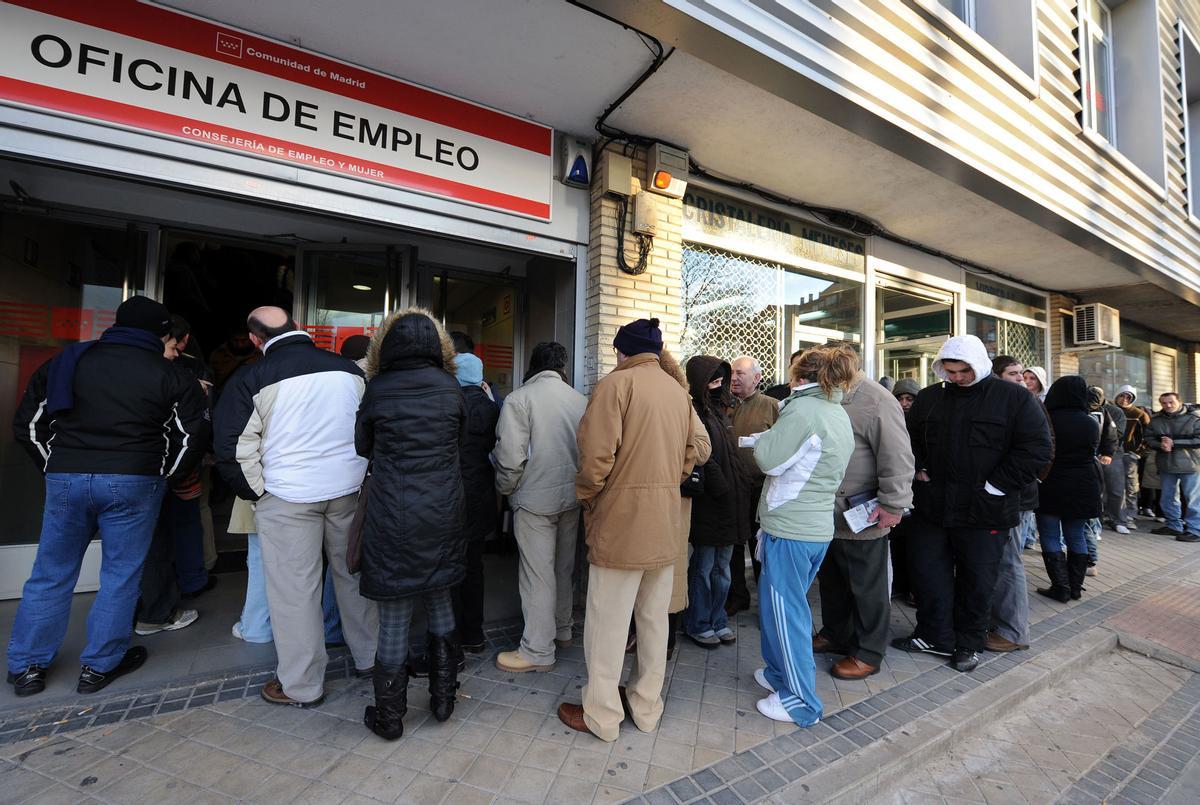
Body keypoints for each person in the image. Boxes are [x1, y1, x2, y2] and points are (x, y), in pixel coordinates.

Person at [9, 296, 209, 697]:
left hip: (67, 475)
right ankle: (99, 667)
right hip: (134, 479)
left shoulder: (69, 361)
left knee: (50, 573)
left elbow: (29, 424)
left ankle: (27, 667)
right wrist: (163, 475)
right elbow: (191, 437)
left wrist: (55, 465)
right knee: (121, 575)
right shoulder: (169, 374)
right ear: (161, 333)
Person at [213, 306, 378, 707]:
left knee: (295, 592)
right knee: (355, 577)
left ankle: (302, 686)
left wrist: (260, 493)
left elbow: (231, 449)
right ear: (299, 329)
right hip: (348, 492)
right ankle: (372, 661)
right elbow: (372, 428)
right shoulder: (350, 371)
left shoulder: (250, 378)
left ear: (255, 339)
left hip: (287, 497)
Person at [557, 317, 704, 743]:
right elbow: (691, 453)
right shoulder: (678, 393)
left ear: (623, 351)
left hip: (620, 523)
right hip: (664, 522)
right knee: (653, 620)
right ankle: (646, 708)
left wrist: (589, 498)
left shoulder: (614, 386)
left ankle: (602, 716)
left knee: (607, 623)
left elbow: (594, 459)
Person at [897, 336, 1051, 673]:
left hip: (986, 510)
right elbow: (908, 439)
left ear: (979, 364)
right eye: (949, 371)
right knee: (928, 574)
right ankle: (934, 635)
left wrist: (997, 486)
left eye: (963, 370)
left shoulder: (1013, 398)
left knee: (977, 581)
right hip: (933, 507)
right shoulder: (930, 398)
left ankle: (969, 643)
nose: (956, 377)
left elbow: (1037, 449)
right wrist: (918, 467)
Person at [354, 308, 468, 739]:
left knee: (396, 614)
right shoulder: (450, 387)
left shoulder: (378, 389)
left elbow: (361, 444)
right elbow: (461, 438)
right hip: (443, 511)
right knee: (441, 603)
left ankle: (389, 718)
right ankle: (443, 700)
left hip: (393, 514)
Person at [750, 345, 855, 725]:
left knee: (787, 616)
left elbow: (768, 459)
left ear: (800, 376)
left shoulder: (803, 410)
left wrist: (763, 440)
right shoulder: (835, 411)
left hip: (790, 529)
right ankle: (779, 676)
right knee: (782, 610)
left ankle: (800, 701)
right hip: (813, 529)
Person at [813, 359, 914, 680]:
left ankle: (869, 651)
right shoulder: (830, 394)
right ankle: (836, 634)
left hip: (864, 511)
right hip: (829, 512)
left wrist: (894, 504)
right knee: (833, 581)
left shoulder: (877, 400)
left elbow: (897, 456)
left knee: (866, 586)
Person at [493, 343, 587, 673]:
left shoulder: (520, 399)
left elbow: (510, 457)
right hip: (572, 498)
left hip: (534, 500)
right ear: (562, 367)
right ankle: (562, 631)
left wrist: (505, 490)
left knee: (537, 576)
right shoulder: (580, 400)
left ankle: (537, 650)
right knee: (563, 569)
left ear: (533, 365)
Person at [983, 356, 1043, 653]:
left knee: (1008, 561)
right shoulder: (1005, 401)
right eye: (1013, 373)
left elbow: (1042, 451)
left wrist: (1000, 483)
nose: (1021, 379)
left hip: (1014, 497)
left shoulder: (1023, 403)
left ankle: (1013, 632)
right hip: (1010, 494)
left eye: (1022, 373)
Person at [683, 355, 741, 648]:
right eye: (713, 381)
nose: (719, 386)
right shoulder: (694, 411)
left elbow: (730, 455)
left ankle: (718, 620)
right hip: (710, 502)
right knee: (703, 569)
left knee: (723, 570)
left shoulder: (721, 411)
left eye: (722, 381)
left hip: (728, 504)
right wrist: (722, 487)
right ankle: (698, 622)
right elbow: (701, 456)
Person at [1035, 377, 1110, 601]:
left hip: (1051, 483)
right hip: (1083, 484)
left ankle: (1060, 587)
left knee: (1049, 535)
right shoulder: (1089, 421)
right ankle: (1075, 587)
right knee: (1076, 534)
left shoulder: (1046, 419)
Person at [453, 351, 500, 653]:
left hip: (453, 495)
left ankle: (449, 634)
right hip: (482, 494)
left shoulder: (451, 404)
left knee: (450, 565)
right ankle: (473, 634)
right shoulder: (493, 407)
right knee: (474, 565)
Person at [726, 356, 778, 615]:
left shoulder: (772, 407)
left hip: (760, 488)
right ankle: (737, 596)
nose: (734, 378)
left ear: (756, 378)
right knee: (734, 545)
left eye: (740, 373)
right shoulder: (724, 407)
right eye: (732, 373)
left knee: (759, 548)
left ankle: (766, 605)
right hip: (731, 489)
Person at [1145, 392, 1200, 543]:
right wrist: (1160, 444)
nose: (1167, 405)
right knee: (1168, 498)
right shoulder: (1156, 420)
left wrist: (1174, 443)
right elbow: (1148, 438)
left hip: (1190, 465)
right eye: (1164, 403)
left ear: (1179, 402)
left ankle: (1196, 530)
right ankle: (1173, 525)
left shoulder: (1194, 418)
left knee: (1193, 499)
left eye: (1171, 402)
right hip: (1166, 464)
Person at [888, 378, 922, 607]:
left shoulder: (922, 422)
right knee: (896, 542)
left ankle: (912, 588)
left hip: (917, 492)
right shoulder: (891, 420)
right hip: (896, 490)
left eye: (909, 399)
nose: (905, 403)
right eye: (900, 398)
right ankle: (898, 585)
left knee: (915, 546)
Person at [1113, 385, 1149, 531]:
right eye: (1122, 396)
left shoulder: (1139, 414)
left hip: (1129, 455)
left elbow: (1146, 435)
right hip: (1113, 454)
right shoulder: (1110, 410)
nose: (1124, 400)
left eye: (1128, 397)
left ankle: (1130, 516)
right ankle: (1112, 514)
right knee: (1113, 486)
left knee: (1130, 486)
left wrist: (1138, 452)